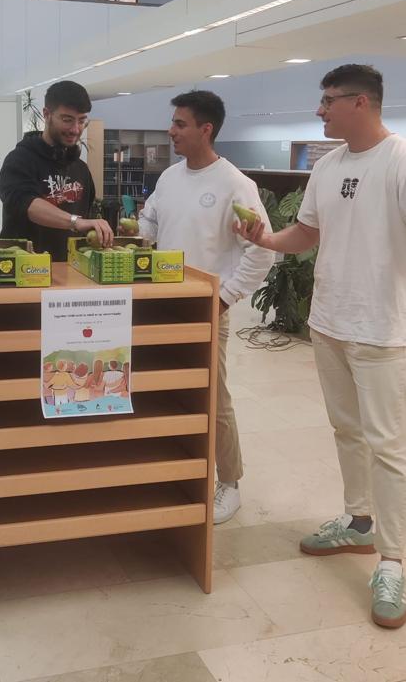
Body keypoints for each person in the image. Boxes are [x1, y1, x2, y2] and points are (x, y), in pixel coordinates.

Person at [235, 64, 406, 629]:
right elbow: (307, 233)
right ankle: (359, 522)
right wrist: (265, 237)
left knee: (388, 445)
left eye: (329, 100)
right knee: (347, 430)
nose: (320, 109)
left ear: (361, 102)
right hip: (329, 322)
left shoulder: (400, 160)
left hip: (383, 329)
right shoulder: (328, 166)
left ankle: (394, 559)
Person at [136, 90, 274, 524]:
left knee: (213, 398)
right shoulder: (171, 178)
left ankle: (229, 482)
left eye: (180, 124)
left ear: (205, 129)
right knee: (165, 391)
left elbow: (263, 251)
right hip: (161, 305)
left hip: (206, 310)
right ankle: (175, 467)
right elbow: (151, 222)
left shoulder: (236, 184)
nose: (171, 131)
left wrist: (223, 297)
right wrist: (134, 230)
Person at [0, 80, 113, 261]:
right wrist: (76, 222)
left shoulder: (81, 169)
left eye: (82, 120)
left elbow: (86, 219)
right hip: (22, 273)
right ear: (47, 114)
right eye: (67, 120)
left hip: (71, 273)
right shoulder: (19, 160)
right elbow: (28, 205)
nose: (76, 129)